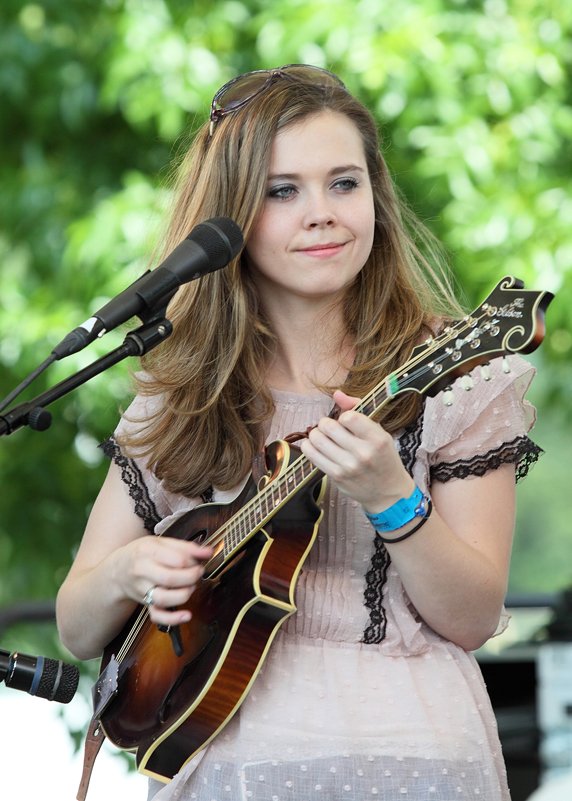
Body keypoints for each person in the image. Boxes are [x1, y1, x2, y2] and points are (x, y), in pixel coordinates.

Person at [56, 64, 542, 801]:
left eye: (344, 183)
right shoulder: (180, 398)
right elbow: (76, 625)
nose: (322, 213)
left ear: (376, 196)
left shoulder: (458, 378)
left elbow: (473, 617)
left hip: (413, 759)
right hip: (227, 768)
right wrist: (129, 573)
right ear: (228, 220)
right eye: (282, 191)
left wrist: (392, 498)